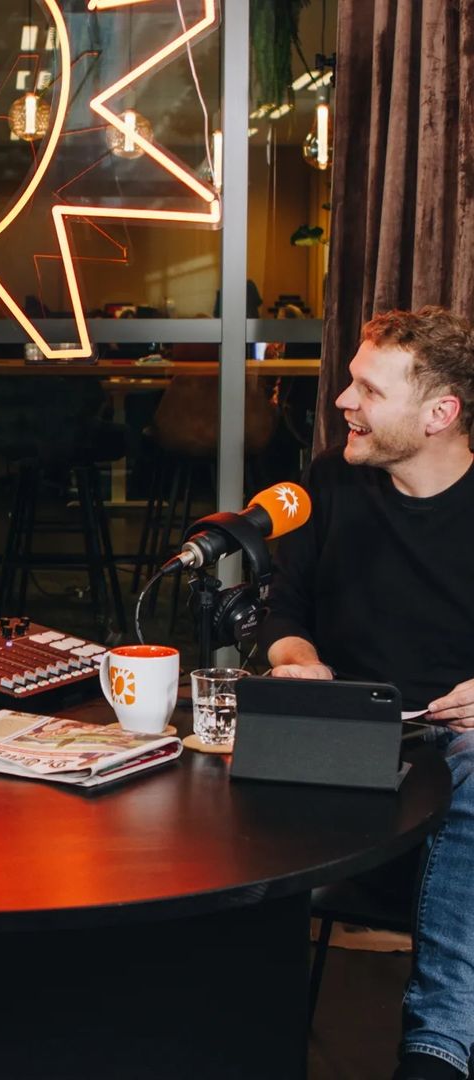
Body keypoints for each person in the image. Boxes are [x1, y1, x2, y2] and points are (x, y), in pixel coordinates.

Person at [257, 307, 474, 1080]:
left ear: (439, 414)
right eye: (350, 380)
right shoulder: (333, 478)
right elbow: (285, 610)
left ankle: (436, 1051)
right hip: (348, 734)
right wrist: (297, 661)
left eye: (369, 389)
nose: (343, 400)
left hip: (456, 750)